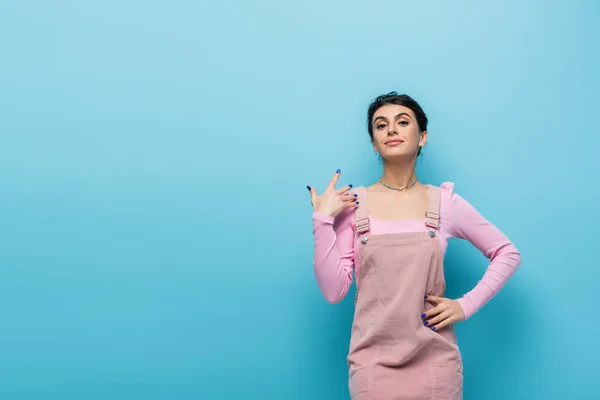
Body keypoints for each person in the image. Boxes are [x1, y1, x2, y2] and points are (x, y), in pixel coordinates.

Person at [307, 92, 521, 399]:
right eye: (381, 126)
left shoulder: (444, 203)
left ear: (422, 137)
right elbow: (333, 290)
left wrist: (465, 305)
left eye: (402, 122)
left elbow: (507, 253)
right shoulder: (354, 205)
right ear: (374, 142)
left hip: (435, 364)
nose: (391, 130)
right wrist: (322, 219)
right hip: (372, 365)